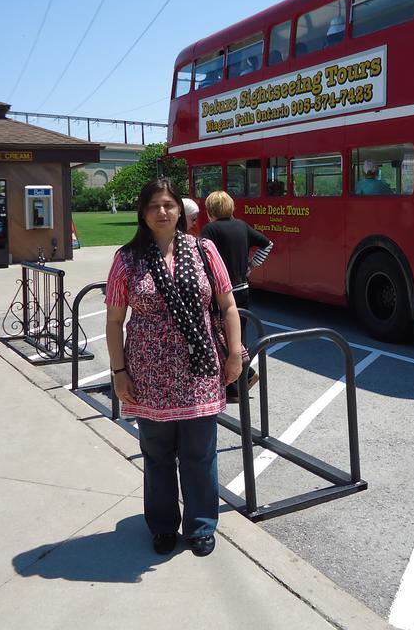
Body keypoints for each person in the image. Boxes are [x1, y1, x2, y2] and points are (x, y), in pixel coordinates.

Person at [105, 178, 243, 558]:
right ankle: (163, 525)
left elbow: (228, 306)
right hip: (149, 375)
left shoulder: (204, 250)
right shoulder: (127, 259)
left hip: (199, 371)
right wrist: (119, 372)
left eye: (168, 204)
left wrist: (235, 353)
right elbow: (115, 320)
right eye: (153, 206)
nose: (162, 211)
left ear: (180, 209)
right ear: (143, 213)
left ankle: (201, 526)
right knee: (158, 455)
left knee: (200, 454)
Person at [201, 191, 273, 403]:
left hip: (223, 292)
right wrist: (251, 266)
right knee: (238, 335)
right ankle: (239, 380)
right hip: (243, 288)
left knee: (220, 336)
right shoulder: (241, 226)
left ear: (210, 211)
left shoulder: (210, 230)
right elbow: (268, 243)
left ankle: (239, 380)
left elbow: (204, 257)